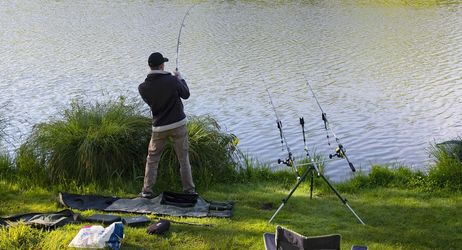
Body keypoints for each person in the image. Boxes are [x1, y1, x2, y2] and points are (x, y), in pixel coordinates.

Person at [138, 52, 196, 198]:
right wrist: (180, 78)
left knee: (152, 159)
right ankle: (189, 190)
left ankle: (147, 191)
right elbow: (186, 94)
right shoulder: (172, 80)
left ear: (150, 66)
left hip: (159, 127)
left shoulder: (143, 87)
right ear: (162, 65)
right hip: (178, 124)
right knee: (183, 158)